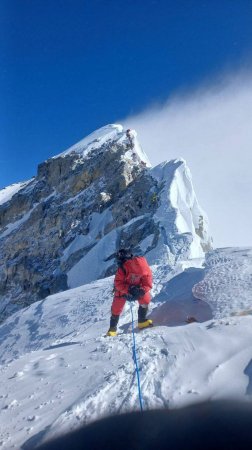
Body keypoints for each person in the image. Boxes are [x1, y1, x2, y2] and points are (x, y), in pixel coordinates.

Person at [107, 249, 153, 336]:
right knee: (145, 300)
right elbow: (148, 282)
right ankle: (142, 321)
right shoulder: (144, 267)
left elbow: (118, 283)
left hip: (125, 290)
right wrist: (140, 290)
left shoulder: (122, 268)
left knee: (116, 308)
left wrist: (137, 291)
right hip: (133, 288)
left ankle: (112, 329)